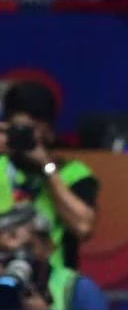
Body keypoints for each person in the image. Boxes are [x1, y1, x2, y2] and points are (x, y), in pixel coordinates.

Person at [0, 81, 99, 270]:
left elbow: (83, 227)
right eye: (18, 129)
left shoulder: (74, 173)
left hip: (52, 286)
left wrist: (46, 167)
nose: (25, 137)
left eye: (31, 130)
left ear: (49, 131)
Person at [0, 203, 107, 310]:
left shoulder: (78, 289)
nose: (18, 260)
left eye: (28, 248)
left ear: (48, 246)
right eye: (5, 252)